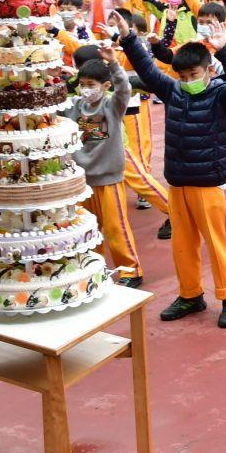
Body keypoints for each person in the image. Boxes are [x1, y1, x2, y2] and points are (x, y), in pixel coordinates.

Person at [117, 17, 226, 328]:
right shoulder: (174, 91)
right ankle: (190, 294)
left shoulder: (221, 95)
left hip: (210, 184)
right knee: (182, 244)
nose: (189, 78)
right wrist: (128, 39)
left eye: (195, 73)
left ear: (208, 70)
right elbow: (148, 71)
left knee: (218, 243)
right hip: (178, 182)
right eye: (184, 74)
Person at [72, 45, 144, 286]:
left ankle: (130, 270)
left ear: (105, 86)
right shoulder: (74, 108)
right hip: (83, 181)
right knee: (88, 228)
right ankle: (94, 267)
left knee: (116, 228)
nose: (86, 89)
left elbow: (125, 89)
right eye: (82, 84)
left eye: (91, 84)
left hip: (109, 179)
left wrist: (114, 64)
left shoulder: (111, 106)